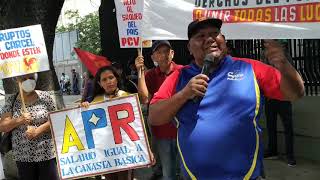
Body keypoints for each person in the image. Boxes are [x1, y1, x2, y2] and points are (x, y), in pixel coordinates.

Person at [148, 18, 304, 179]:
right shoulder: (179, 77)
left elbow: (295, 93)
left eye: (215, 33)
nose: (209, 39)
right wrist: (184, 94)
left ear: (224, 40)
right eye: (201, 36)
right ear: (189, 47)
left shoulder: (249, 68)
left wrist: (284, 65)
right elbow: (154, 116)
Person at [135, 40, 183, 180]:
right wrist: (140, 71)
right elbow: (144, 99)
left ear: (172, 54)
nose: (163, 55)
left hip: (183, 131)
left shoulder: (183, 71)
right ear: (153, 57)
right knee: (168, 173)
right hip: (161, 132)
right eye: (159, 52)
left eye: (166, 51)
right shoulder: (150, 75)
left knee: (186, 172)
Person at [0, 73, 58, 180]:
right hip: (23, 156)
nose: (28, 81)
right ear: (18, 81)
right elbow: (3, 126)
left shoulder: (45, 96)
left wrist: (39, 130)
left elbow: (56, 119)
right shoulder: (11, 101)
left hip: (47, 153)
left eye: (31, 78)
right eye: (24, 79)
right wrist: (19, 120)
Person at [80, 66, 132, 180]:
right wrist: (84, 107)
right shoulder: (96, 101)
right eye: (104, 80)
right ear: (99, 83)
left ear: (116, 79)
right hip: (107, 153)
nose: (109, 81)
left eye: (111, 77)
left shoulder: (128, 97)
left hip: (126, 151)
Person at [262, 39, 296, 166]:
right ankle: (272, 150)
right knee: (271, 125)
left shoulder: (285, 55)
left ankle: (290, 155)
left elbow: (289, 73)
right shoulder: (264, 54)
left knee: (288, 127)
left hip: (283, 96)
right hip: (270, 95)